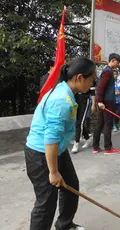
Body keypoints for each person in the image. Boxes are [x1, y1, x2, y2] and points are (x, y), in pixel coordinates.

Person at [25, 57, 97, 230]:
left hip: (57, 150)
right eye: (91, 79)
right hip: (41, 153)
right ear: (79, 77)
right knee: (46, 202)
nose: (92, 84)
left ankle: (64, 225)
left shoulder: (67, 92)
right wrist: (53, 171)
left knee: (71, 184)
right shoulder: (61, 101)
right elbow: (50, 139)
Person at [92, 53, 120, 155]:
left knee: (100, 123)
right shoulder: (107, 72)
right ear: (113, 60)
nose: (118, 65)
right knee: (107, 124)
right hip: (107, 102)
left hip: (105, 101)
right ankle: (108, 148)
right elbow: (100, 87)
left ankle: (95, 147)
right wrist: (99, 101)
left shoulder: (107, 71)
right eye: (117, 62)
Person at [71, 80, 96, 153]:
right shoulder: (75, 76)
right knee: (78, 122)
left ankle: (76, 143)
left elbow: (93, 93)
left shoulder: (90, 78)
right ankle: (88, 139)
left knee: (79, 123)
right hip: (75, 100)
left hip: (84, 100)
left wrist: (93, 104)